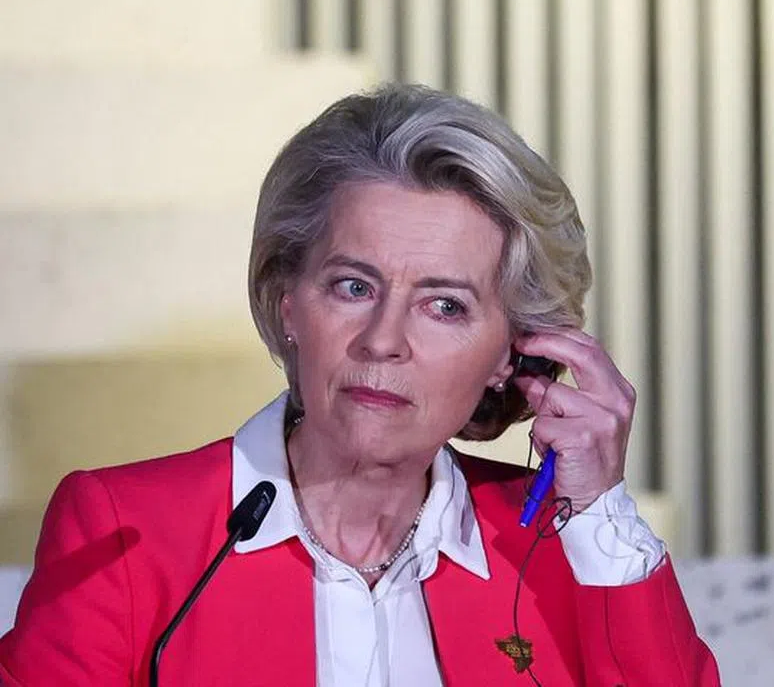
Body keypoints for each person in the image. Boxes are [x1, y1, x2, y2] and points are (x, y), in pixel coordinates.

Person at [0, 84, 719, 685]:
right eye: (352, 285)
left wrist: (597, 508)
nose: (383, 340)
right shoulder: (129, 532)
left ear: (513, 354)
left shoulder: (560, 548)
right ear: (289, 303)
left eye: (446, 305)